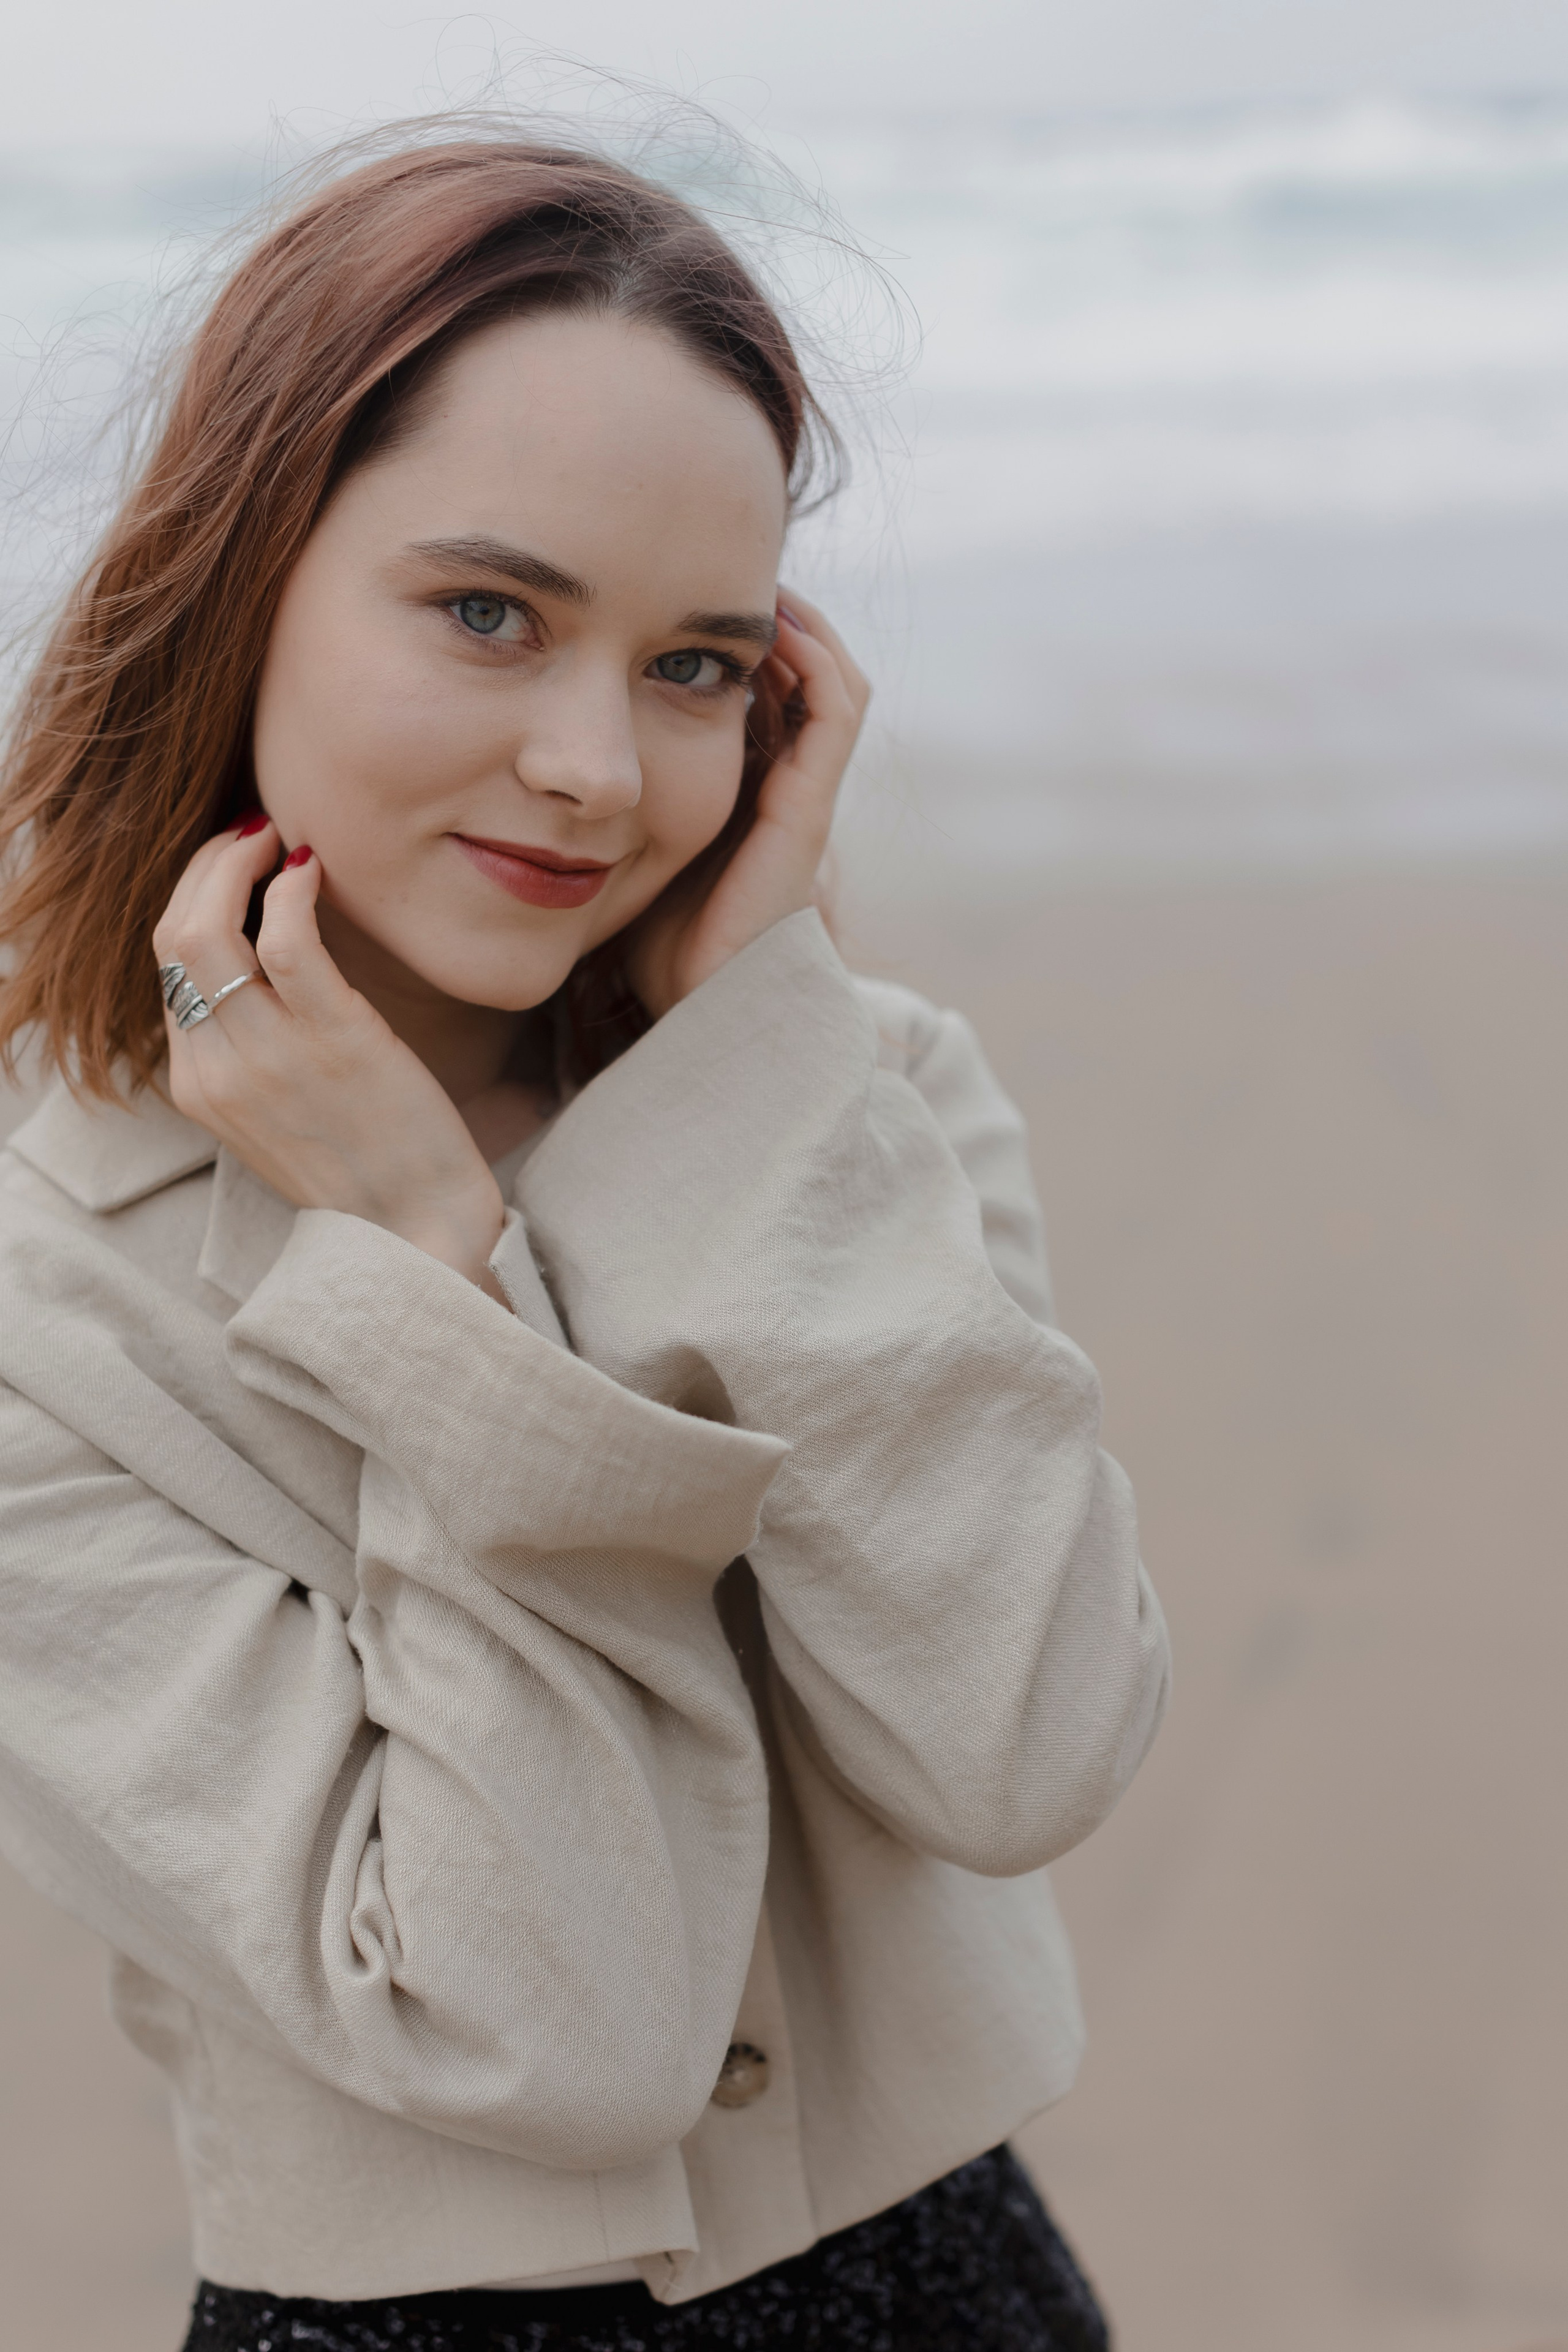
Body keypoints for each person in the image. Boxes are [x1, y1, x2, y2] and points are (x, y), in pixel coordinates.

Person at [0, 134, 1169, 2352]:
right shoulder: (42, 1300)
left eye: (696, 664)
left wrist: (752, 1103)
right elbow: (552, 2033)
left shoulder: (858, 1103)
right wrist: (430, 1288)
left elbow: (1026, 1753)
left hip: (959, 2284)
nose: (597, 771)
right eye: (488, 614)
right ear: (242, 581)